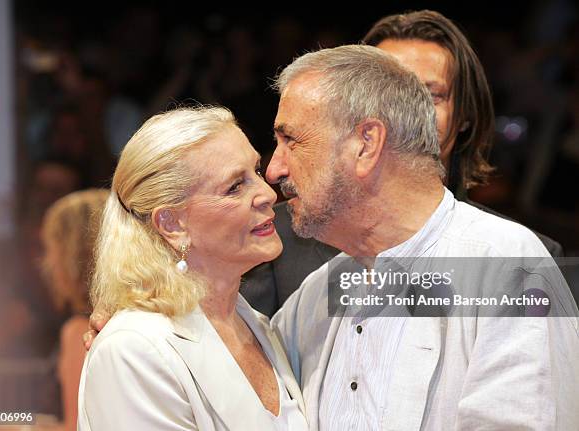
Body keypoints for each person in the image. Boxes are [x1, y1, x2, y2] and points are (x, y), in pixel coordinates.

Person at [267, 44, 578, 430]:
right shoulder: (319, 293)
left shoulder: (504, 264)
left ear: (366, 143)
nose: (274, 169)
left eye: (291, 140)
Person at [240, 9, 563, 317]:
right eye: (384, 92)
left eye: (429, 96)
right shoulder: (275, 236)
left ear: (465, 115)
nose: (403, 111)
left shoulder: (517, 257)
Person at [77, 107, 308, 430]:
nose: (268, 194)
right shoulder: (134, 349)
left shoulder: (255, 325)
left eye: (255, 171)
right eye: (234, 187)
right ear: (172, 224)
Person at [40, 188, 109, 431]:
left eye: (50, 249)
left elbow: (75, 426)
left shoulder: (80, 330)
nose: (47, 263)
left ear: (72, 256)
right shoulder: (130, 318)